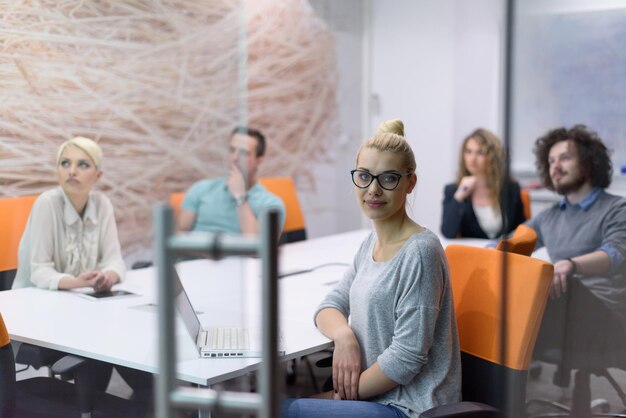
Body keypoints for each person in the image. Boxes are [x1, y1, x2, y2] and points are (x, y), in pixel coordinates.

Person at [283, 120, 461, 418]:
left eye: (388, 178)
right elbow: (331, 304)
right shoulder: (371, 243)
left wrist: (336, 397)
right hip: (374, 397)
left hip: (408, 406)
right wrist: (344, 337)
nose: (373, 190)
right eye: (364, 176)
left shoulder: (420, 251)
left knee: (281, 410)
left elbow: (405, 359)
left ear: (410, 182)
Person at [12, 137, 152, 414]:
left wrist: (108, 276)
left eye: (82, 164)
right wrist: (77, 282)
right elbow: (40, 271)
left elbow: (115, 261)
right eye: (65, 163)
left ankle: (148, 405)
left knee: (132, 348)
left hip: (82, 310)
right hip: (39, 314)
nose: (71, 171)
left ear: (98, 175)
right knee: (118, 346)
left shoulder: (103, 204)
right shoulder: (46, 204)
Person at [527, 125, 626, 380]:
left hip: (605, 316)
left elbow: (615, 254)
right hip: (563, 309)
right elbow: (509, 242)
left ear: (588, 162)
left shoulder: (616, 208)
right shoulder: (548, 217)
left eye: (564, 158)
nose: (555, 166)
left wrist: (570, 264)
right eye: (550, 161)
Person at [177, 126, 285, 234]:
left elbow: (261, 247)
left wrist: (240, 197)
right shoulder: (201, 189)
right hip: (196, 249)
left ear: (258, 161)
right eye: (232, 150)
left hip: (237, 250)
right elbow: (180, 235)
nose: (235, 158)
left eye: (243, 153)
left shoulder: (271, 204)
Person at [441, 128, 526, 239]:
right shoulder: (453, 190)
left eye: (480, 152)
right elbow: (448, 233)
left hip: (504, 254)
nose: (472, 158)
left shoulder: (511, 189)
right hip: (474, 255)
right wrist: (459, 196)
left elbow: (521, 231)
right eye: (468, 151)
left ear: (492, 157)